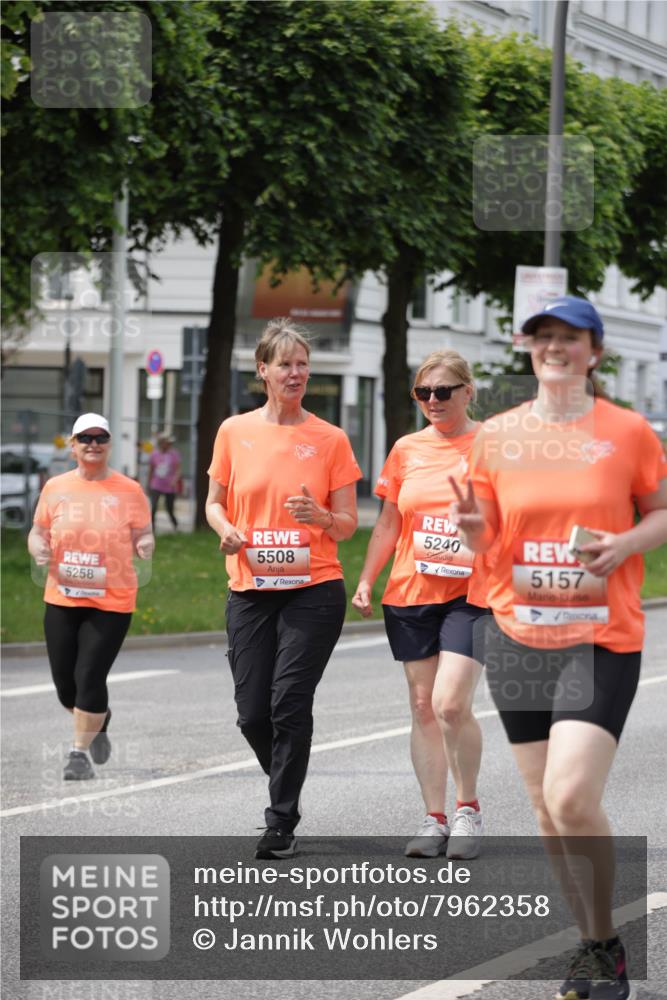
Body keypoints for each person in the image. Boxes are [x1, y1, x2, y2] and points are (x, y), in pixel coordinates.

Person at [449, 296, 667, 1000]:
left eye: (569, 337)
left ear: (593, 352)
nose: (554, 346)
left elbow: (661, 511)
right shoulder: (496, 436)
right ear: (529, 349)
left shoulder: (626, 432)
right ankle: (597, 945)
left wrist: (625, 543)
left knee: (571, 796)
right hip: (516, 636)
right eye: (542, 335)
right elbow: (485, 540)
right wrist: (471, 530)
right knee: (545, 808)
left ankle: (602, 943)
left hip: (600, 637)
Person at [206, 318, 361, 860]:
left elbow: (348, 523)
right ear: (263, 370)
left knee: (288, 703)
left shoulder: (330, 438)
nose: (295, 373)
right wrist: (226, 530)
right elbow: (214, 503)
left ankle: (281, 821)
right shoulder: (234, 431)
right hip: (250, 586)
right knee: (253, 713)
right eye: (285, 364)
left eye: (302, 364)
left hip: (313, 588)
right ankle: (285, 780)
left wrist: (322, 517)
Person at [352, 350, 490, 861]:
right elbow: (390, 522)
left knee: (450, 703)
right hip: (411, 592)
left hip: (473, 594)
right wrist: (366, 579)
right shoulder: (406, 449)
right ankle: (434, 818)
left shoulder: (493, 446)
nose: (433, 400)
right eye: (423, 392)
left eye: (443, 391)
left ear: (467, 392)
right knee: (421, 705)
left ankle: (467, 809)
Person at [27, 413, 154, 781]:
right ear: (73, 445)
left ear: (109, 444)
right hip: (62, 597)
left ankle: (78, 754)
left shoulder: (129, 490)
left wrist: (145, 544)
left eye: (101, 438)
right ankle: (100, 717)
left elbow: (144, 532)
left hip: (112, 600)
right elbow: (37, 531)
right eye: (85, 438)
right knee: (66, 686)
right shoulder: (56, 487)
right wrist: (38, 547)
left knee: (89, 675)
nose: (93, 444)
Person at [148, 433, 181, 530]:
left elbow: (178, 470)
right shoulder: (154, 454)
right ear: (161, 443)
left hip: (169, 486)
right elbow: (151, 470)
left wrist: (175, 480)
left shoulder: (174, 454)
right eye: (167, 442)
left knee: (169, 508)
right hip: (156, 485)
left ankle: (176, 526)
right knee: (153, 507)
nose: (169, 445)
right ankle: (152, 529)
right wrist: (149, 484)